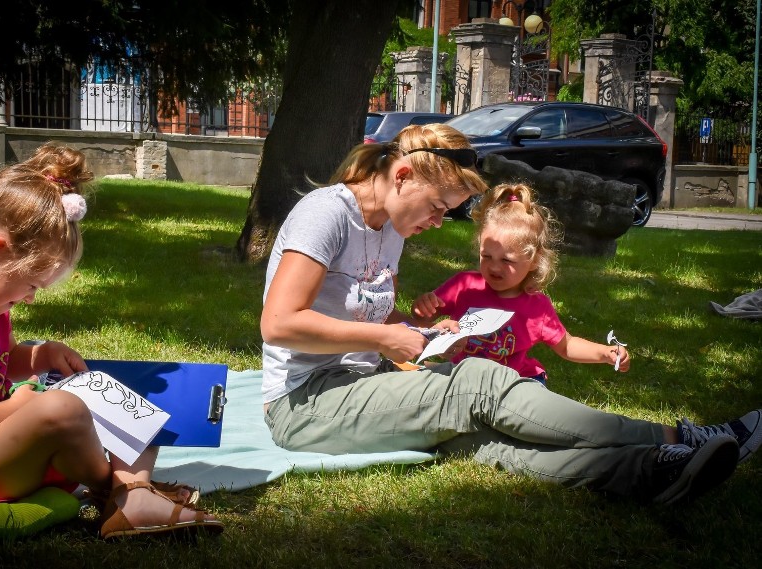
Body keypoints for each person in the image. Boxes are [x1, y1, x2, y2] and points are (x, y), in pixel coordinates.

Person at [259, 123, 762, 505]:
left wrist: (414, 332)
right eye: (438, 206)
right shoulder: (327, 214)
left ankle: (655, 471)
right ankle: (679, 437)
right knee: (478, 383)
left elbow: (371, 319)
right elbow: (279, 324)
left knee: (485, 439)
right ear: (403, 176)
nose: (438, 221)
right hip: (304, 405)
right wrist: (384, 342)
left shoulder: (390, 227)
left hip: (361, 382)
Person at [0, 144, 223, 538]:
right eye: (28, 285)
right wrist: (12, 409)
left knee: (124, 398)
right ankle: (125, 492)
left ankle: (132, 492)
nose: (29, 299)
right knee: (62, 408)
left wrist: (40, 356)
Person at [410, 182, 630, 386]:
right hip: (460, 376)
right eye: (486, 256)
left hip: (510, 383)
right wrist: (423, 307)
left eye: (507, 260)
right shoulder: (464, 285)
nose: (494, 267)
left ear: (534, 260)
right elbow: (422, 321)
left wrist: (603, 353)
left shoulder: (537, 307)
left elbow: (567, 346)